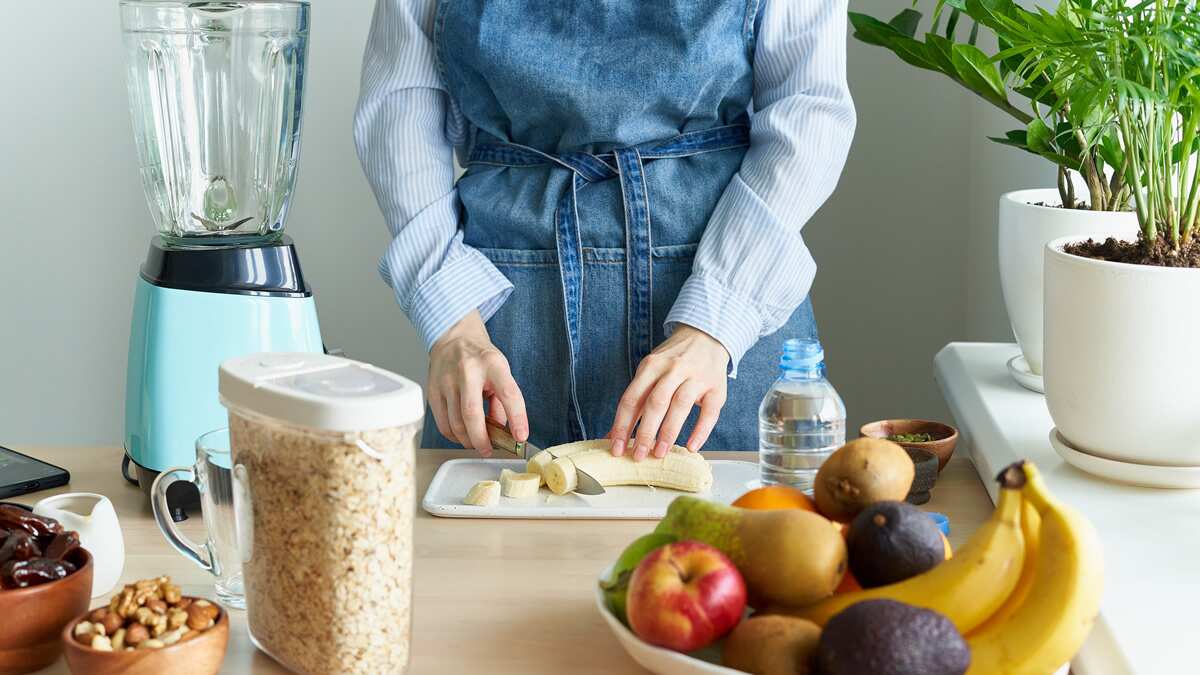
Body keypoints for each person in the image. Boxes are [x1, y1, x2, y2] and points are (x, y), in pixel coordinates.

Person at [355, 0, 855, 460]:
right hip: (498, 327)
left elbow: (809, 110)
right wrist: (454, 324)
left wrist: (716, 322)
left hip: (721, 319)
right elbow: (399, 109)